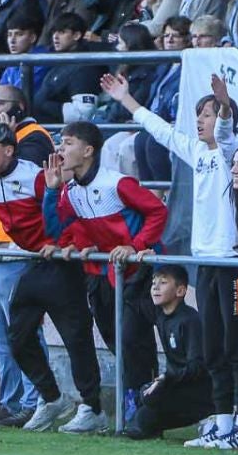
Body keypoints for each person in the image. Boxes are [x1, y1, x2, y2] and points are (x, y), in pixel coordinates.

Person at [101, 70, 238, 450]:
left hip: (233, 263)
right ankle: (223, 424)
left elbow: (225, 131)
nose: (200, 121)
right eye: (200, 115)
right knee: (213, 348)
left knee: (237, 345)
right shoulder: (198, 154)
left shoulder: (230, 153)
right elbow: (163, 132)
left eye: (206, 114)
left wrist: (223, 104)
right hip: (206, 261)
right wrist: (127, 100)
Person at [0, 123, 99, 433]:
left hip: (62, 262)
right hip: (38, 261)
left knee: (75, 336)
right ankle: (51, 399)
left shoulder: (35, 176)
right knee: (17, 336)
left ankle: (94, 407)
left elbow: (66, 210)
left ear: (9, 150)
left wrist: (65, 243)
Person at [46, 118, 169, 425]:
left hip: (135, 274)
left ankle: (143, 409)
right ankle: (136, 405)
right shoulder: (70, 190)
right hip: (100, 275)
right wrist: (52, 193)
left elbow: (158, 211)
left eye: (68, 143)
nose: (61, 149)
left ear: (88, 150)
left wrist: (135, 245)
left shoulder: (117, 183)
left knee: (132, 340)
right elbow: (59, 230)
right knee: (115, 340)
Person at [125, 265, 211, 442]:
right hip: (173, 385)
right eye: (154, 282)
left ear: (180, 290)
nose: (155, 287)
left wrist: (166, 379)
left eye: (163, 283)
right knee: (139, 414)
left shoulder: (190, 321)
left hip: (197, 392)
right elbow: (129, 296)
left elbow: (197, 367)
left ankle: (210, 415)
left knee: (146, 411)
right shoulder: (160, 314)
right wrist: (146, 264)